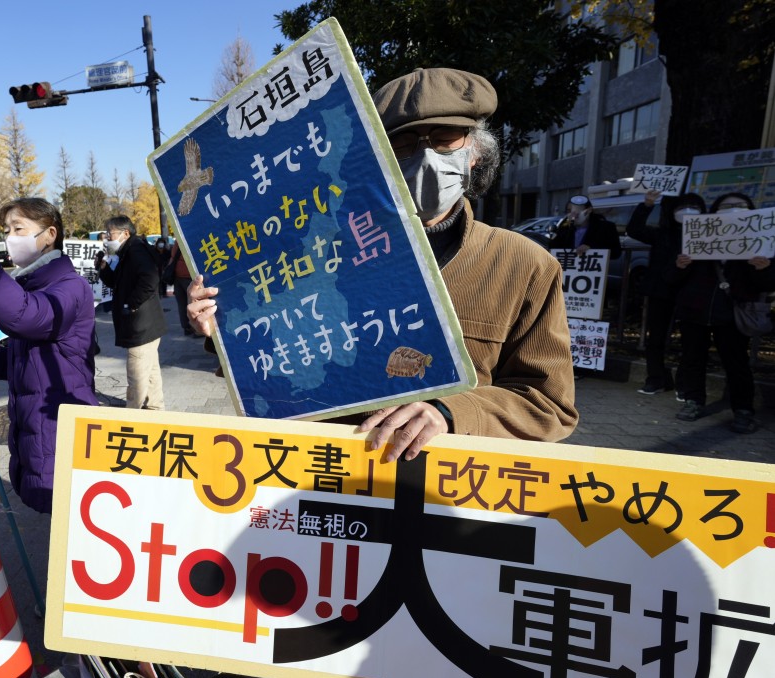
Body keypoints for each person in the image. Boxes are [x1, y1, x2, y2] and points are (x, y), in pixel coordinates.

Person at [187, 67, 578, 460]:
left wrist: (452, 412)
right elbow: (271, 365)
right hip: (329, 476)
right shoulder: (314, 253)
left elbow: (548, 405)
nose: (427, 157)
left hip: (446, 494)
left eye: (445, 140)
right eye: (403, 145)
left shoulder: (524, 265)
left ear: (474, 152)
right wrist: (222, 328)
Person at [0, 199, 99, 514]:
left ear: (50, 234)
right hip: (38, 436)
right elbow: (18, 364)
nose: (11, 237)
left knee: (68, 535)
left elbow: (23, 316)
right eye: (7, 230)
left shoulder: (70, 288)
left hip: (61, 432)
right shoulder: (33, 287)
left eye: (19, 228)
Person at [669, 192, 774, 433]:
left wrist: (763, 269)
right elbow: (672, 278)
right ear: (714, 211)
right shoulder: (696, 237)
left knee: (736, 363)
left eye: (740, 206)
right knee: (693, 359)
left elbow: (768, 283)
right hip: (695, 310)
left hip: (732, 313)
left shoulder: (761, 242)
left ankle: (743, 410)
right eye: (726, 206)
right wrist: (680, 266)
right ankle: (693, 401)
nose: (733, 210)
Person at [626, 190, 705, 396]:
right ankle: (656, 378)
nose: (687, 212)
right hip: (660, 291)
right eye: (681, 208)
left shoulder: (706, 236)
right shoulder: (663, 233)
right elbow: (634, 229)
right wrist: (647, 205)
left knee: (690, 342)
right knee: (656, 339)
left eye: (694, 208)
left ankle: (685, 385)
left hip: (692, 293)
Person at [98, 216, 167, 410]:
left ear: (125, 233)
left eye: (109, 234)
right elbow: (117, 283)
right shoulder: (128, 251)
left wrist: (131, 304)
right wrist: (103, 269)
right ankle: (155, 409)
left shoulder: (136, 251)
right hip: (145, 325)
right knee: (151, 372)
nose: (106, 238)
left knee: (136, 376)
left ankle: (132, 414)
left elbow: (150, 279)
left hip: (141, 326)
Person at [548, 194, 622, 259]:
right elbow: (552, 248)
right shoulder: (565, 227)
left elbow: (616, 253)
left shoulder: (606, 227)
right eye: (569, 211)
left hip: (592, 270)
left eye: (577, 210)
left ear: (589, 210)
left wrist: (591, 248)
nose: (572, 214)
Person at [168, 240, 195, 336]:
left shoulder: (177, 242)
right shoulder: (189, 239)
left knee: (181, 304)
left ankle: (186, 327)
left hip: (177, 276)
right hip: (188, 275)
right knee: (193, 303)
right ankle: (195, 328)